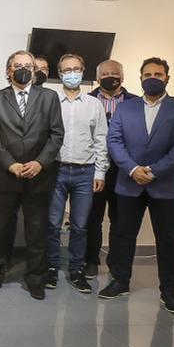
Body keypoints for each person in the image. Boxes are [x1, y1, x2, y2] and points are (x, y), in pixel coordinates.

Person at [100, 57, 174, 315]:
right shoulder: (125, 108)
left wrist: (153, 172)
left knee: (166, 239)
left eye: (158, 73)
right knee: (122, 234)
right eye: (147, 74)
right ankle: (120, 281)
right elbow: (114, 141)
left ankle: (168, 291)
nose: (152, 78)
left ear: (167, 77)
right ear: (140, 78)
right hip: (129, 183)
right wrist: (133, 169)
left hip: (164, 185)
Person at [0, 50, 64, 300]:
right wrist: (10, 164)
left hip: (39, 175)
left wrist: (40, 163)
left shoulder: (49, 98)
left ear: (35, 70)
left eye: (28, 65)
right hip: (5, 175)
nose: (23, 69)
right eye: (18, 65)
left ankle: (35, 279)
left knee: (36, 230)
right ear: (8, 70)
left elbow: (56, 135)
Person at [46, 54, 108, 295]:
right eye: (66, 69)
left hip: (85, 172)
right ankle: (51, 267)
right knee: (52, 224)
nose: (72, 73)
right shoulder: (52, 101)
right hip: (56, 171)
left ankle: (76, 270)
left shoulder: (94, 104)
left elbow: (101, 139)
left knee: (81, 226)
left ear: (83, 71)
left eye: (76, 69)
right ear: (60, 74)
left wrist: (100, 172)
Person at [84, 58, 137, 278]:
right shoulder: (86, 101)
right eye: (105, 74)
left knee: (121, 219)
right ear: (97, 78)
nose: (110, 77)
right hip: (94, 167)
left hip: (124, 170)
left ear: (122, 77)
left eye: (114, 73)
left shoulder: (136, 103)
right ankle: (90, 261)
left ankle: (116, 262)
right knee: (91, 217)